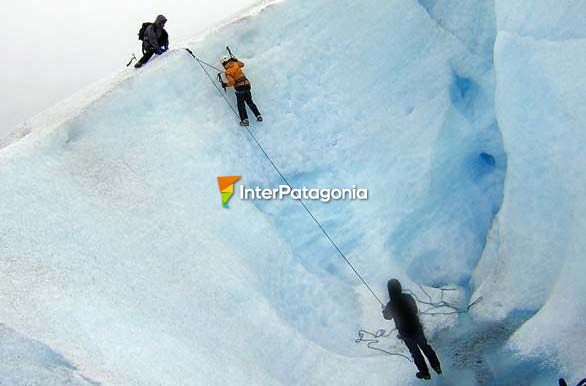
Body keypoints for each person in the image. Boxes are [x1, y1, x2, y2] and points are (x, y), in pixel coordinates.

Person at [382, 279, 442, 380]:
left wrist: (384, 310)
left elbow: (387, 317)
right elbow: (415, 310)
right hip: (417, 328)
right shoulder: (408, 297)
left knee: (415, 353)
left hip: (405, 333)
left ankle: (425, 374)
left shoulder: (391, 304)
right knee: (426, 348)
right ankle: (437, 366)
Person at [219, 55, 262, 126]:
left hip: (239, 87)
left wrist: (225, 85)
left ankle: (245, 120)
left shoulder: (227, 72)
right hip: (247, 84)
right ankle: (258, 116)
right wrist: (236, 60)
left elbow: (232, 82)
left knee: (241, 104)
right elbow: (242, 64)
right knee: (250, 102)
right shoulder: (236, 64)